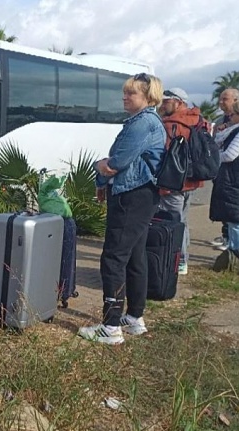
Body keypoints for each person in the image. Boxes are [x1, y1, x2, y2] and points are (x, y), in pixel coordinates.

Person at [78, 73, 166, 345]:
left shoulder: (143, 124)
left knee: (114, 258)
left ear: (148, 97)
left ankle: (111, 326)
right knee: (135, 257)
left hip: (131, 196)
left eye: (132, 93)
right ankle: (134, 318)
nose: (125, 97)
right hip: (142, 196)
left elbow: (116, 163)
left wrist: (99, 167)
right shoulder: (150, 122)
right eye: (125, 92)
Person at [157, 87, 204, 275]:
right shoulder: (198, 120)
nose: (162, 104)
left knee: (174, 222)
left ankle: (179, 260)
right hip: (191, 180)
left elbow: (164, 153)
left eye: (166, 101)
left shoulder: (173, 124)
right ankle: (184, 258)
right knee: (182, 220)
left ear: (178, 102)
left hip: (173, 182)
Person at [209, 98, 239, 271]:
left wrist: (214, 158)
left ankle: (234, 260)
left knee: (235, 221)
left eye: (232, 114)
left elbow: (229, 155)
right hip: (232, 180)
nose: (229, 117)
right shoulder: (232, 130)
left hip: (233, 181)